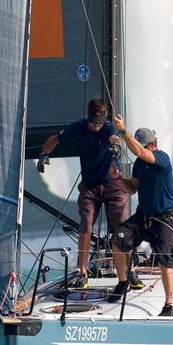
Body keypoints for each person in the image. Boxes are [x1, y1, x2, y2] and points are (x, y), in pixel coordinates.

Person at [38, 98, 130, 285]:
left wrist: (116, 145)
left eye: (100, 123)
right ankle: (82, 270)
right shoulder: (77, 127)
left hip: (112, 184)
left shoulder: (109, 128)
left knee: (120, 227)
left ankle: (129, 269)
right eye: (93, 123)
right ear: (87, 115)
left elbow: (115, 139)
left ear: (105, 118)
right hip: (90, 185)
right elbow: (53, 140)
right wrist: (43, 154)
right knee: (86, 223)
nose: (96, 127)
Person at [109, 114, 173, 316]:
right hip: (143, 216)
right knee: (117, 239)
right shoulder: (140, 163)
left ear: (152, 145)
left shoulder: (162, 158)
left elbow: (140, 151)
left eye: (143, 147)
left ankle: (169, 304)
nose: (139, 151)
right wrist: (117, 178)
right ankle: (123, 282)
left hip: (163, 217)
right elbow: (132, 188)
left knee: (164, 259)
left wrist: (123, 131)